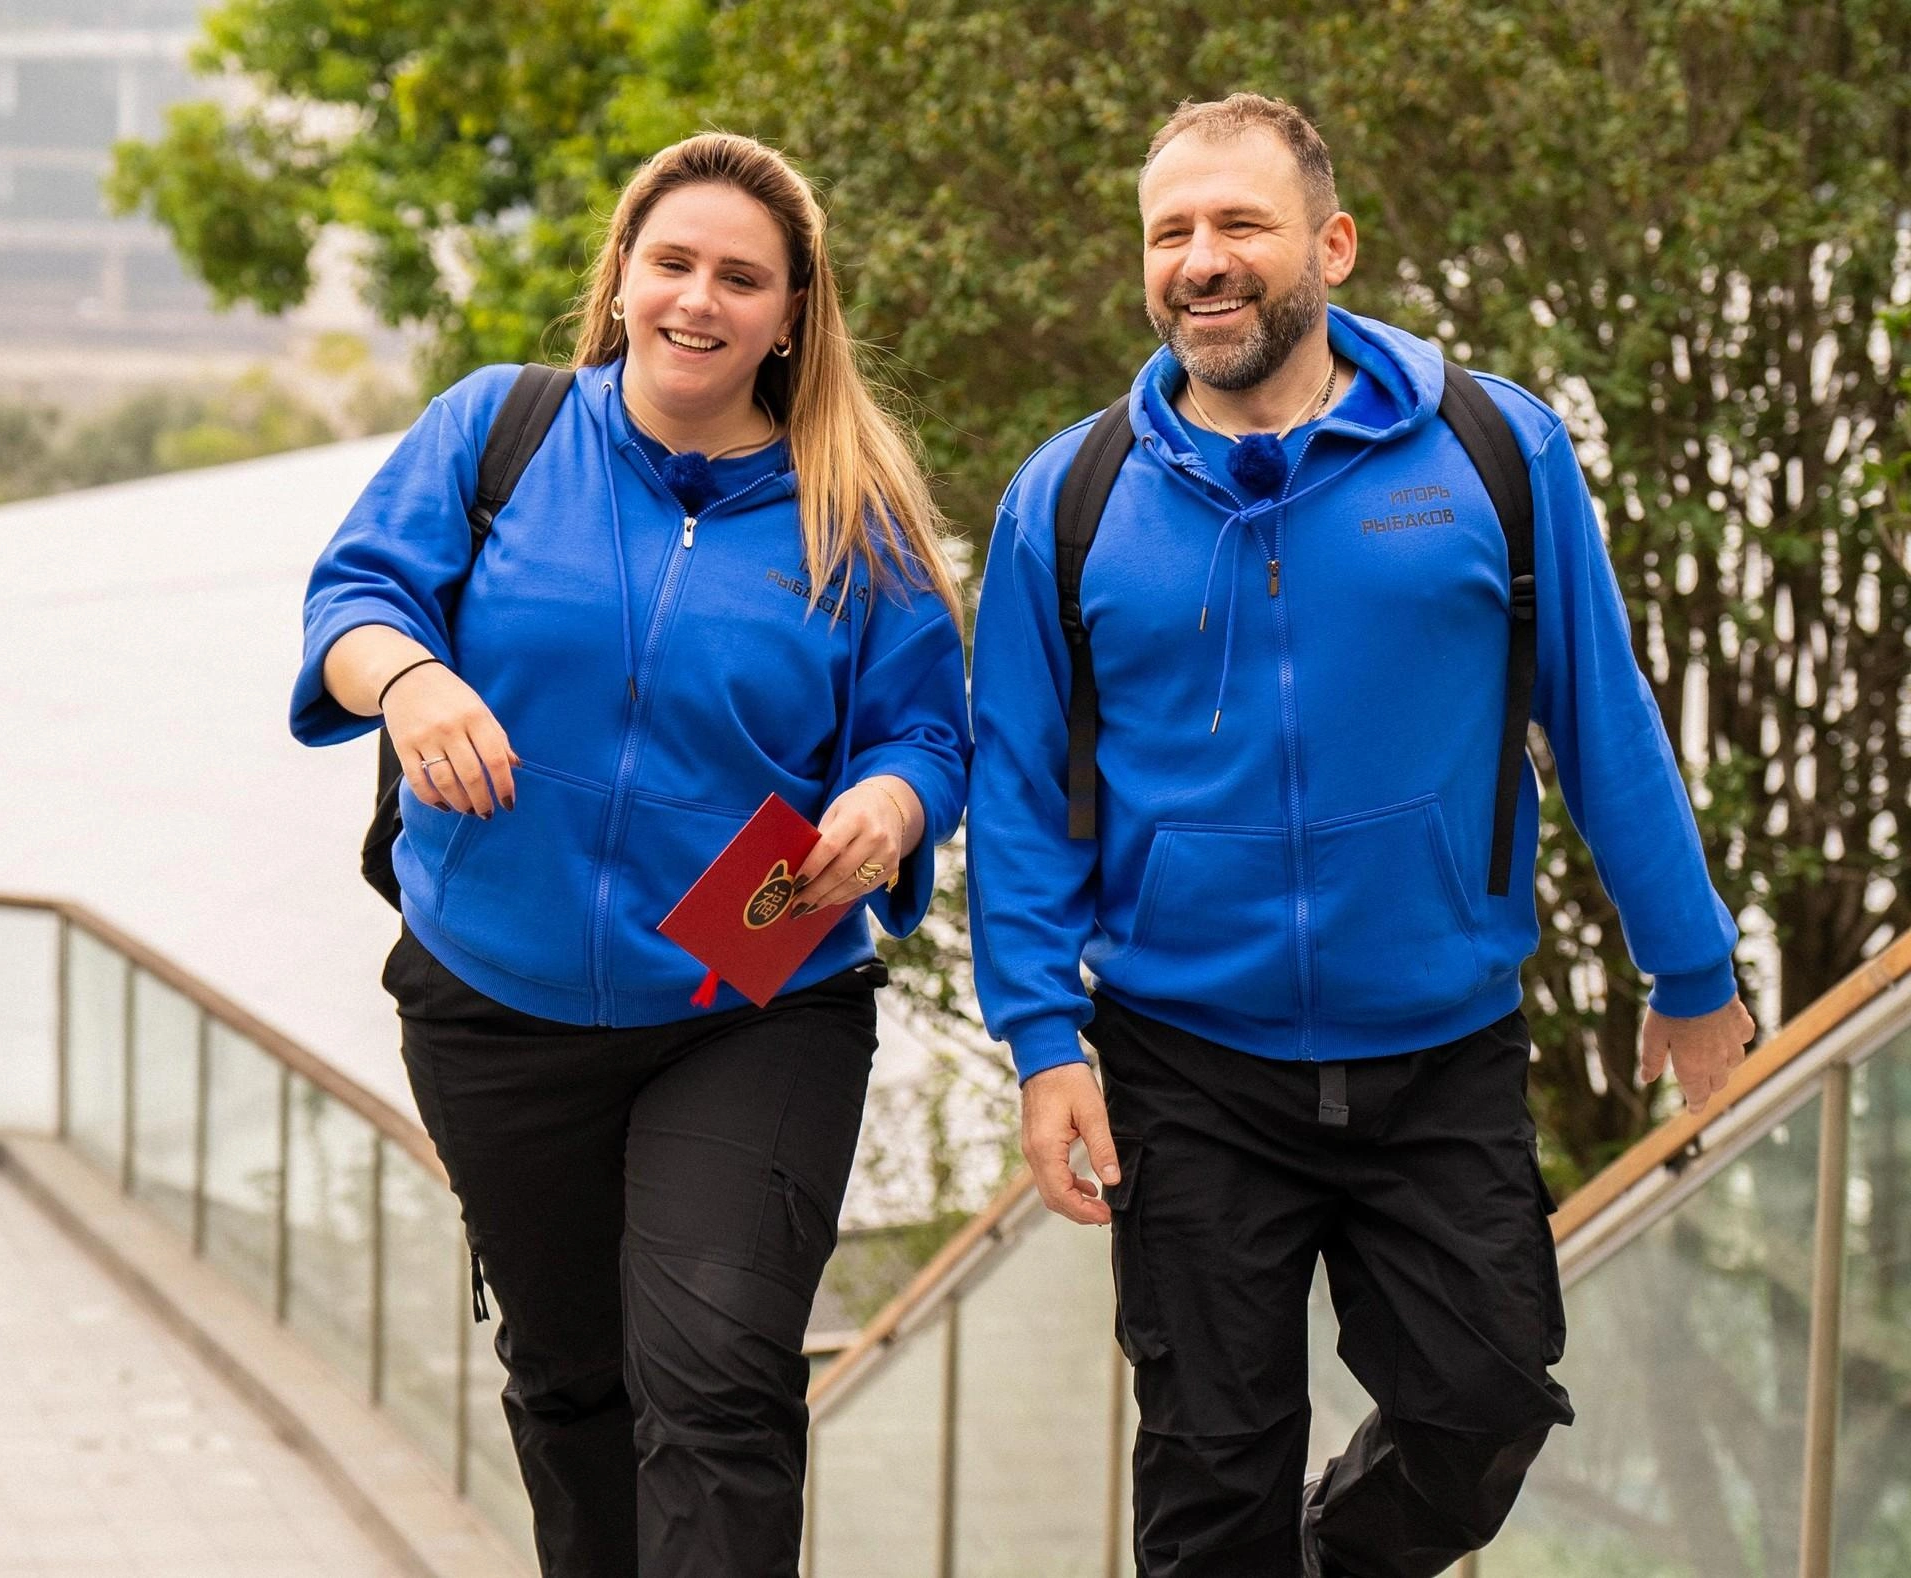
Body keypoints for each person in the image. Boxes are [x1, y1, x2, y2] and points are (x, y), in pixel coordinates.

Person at [967, 93, 1755, 1578]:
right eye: (1171, 233)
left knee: (1482, 1409)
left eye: (1240, 224)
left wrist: (1692, 962)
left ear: (1331, 245)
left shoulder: (1495, 450)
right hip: (1186, 1064)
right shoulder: (1067, 501)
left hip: (1441, 1047)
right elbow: (1016, 793)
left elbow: (1602, 716)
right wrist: (1041, 1038)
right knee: (1211, 1482)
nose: (1202, 260)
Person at [289, 133, 970, 1577]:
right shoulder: (500, 430)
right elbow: (353, 600)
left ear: (791, 314)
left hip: (752, 1003)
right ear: (621, 277)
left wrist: (893, 805)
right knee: (571, 1378)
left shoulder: (856, 512)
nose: (699, 299)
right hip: (495, 1002)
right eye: (673, 263)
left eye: (741, 278)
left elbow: (926, 732)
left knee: (718, 1377)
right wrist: (409, 679)